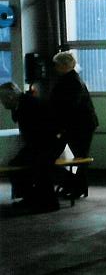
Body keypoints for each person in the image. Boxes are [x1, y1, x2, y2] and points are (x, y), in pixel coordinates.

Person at [0, 81, 64, 212]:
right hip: (44, 142)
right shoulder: (24, 102)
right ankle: (32, 198)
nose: (2, 103)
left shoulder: (26, 105)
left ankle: (44, 202)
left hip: (46, 143)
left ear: (10, 97)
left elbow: (36, 132)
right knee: (22, 164)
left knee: (37, 165)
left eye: (2, 99)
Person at [49, 52, 98, 159]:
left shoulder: (70, 82)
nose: (55, 68)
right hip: (81, 124)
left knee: (79, 154)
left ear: (63, 65)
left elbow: (68, 106)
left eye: (57, 65)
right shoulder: (74, 79)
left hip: (79, 125)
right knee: (80, 154)